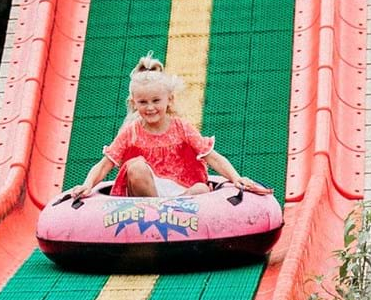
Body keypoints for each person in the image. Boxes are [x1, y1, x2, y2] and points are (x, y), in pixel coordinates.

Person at [74, 55, 270, 200]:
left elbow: (213, 157)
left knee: (202, 189)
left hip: (178, 192)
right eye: (143, 102)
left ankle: (171, 211)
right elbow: (104, 166)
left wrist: (236, 178)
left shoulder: (181, 128)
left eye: (156, 101)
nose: (150, 108)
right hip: (145, 194)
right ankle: (157, 211)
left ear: (169, 100)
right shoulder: (131, 132)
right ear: (134, 103)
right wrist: (87, 185)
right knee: (136, 167)